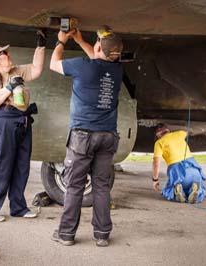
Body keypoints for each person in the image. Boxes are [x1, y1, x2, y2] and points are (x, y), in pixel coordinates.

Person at [49, 26, 123, 247]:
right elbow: (99, 57)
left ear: (99, 46)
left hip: (83, 137)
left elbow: (53, 64)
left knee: (74, 186)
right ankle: (102, 234)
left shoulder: (83, 66)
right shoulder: (116, 70)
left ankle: (66, 234)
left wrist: (62, 41)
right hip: (108, 136)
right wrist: (81, 39)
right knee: (101, 186)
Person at [0, 31, 46, 222]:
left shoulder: (16, 71)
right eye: (5, 55)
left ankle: (18, 207)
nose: (9, 56)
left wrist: (40, 47)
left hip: (21, 122)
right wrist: (8, 88)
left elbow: (36, 69)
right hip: (0, 124)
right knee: (1, 168)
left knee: (21, 167)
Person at [152, 123, 206, 204]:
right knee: (200, 191)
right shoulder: (179, 134)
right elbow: (188, 130)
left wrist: (155, 179)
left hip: (178, 172)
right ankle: (195, 190)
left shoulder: (159, 142)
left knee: (168, 191)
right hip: (194, 170)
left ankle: (176, 191)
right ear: (168, 130)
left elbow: (156, 163)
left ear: (158, 135)